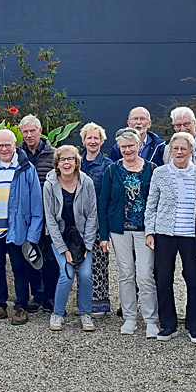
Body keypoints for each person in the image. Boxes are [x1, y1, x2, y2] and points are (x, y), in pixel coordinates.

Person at [0, 129, 43, 325]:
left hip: (18, 230)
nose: (4, 149)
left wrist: (32, 234)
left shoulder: (26, 169)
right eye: (0, 145)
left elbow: (36, 205)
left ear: (15, 145)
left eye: (8, 145)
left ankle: (21, 306)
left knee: (19, 268)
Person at [144, 131, 196, 342]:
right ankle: (168, 324)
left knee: (194, 279)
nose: (179, 152)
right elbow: (151, 204)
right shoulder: (160, 173)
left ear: (191, 151)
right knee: (163, 278)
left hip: (191, 235)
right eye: (176, 148)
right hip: (165, 233)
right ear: (170, 150)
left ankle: (194, 325)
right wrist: (150, 231)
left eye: (184, 149)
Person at [98, 127, 158, 338]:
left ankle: (151, 319)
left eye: (131, 145)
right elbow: (103, 204)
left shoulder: (152, 168)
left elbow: (156, 201)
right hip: (119, 230)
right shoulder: (112, 170)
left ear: (139, 145)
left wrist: (154, 230)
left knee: (145, 275)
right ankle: (130, 317)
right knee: (126, 275)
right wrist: (103, 236)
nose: (127, 150)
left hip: (145, 230)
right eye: (123, 147)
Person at [43, 145, 98, 331]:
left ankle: (85, 313)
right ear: (57, 163)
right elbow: (50, 219)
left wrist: (87, 245)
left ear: (77, 162)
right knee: (66, 275)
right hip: (60, 238)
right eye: (62, 159)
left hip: (82, 238)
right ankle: (57, 313)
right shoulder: (50, 184)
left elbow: (92, 215)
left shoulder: (87, 182)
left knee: (86, 274)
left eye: (70, 159)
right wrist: (63, 249)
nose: (66, 163)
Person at [19, 114, 56, 311]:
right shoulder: (17, 155)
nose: (29, 135)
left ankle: (50, 297)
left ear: (40, 131)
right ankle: (37, 295)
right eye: (25, 132)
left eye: (32, 131)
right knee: (30, 255)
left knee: (50, 257)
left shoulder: (53, 154)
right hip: (27, 217)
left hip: (48, 215)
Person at [79, 122, 114, 315]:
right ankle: (83, 302)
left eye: (96, 138)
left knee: (99, 263)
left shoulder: (108, 165)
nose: (92, 141)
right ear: (83, 140)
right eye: (89, 138)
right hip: (78, 222)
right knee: (80, 262)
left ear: (101, 141)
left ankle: (99, 303)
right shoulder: (76, 162)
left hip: (99, 221)